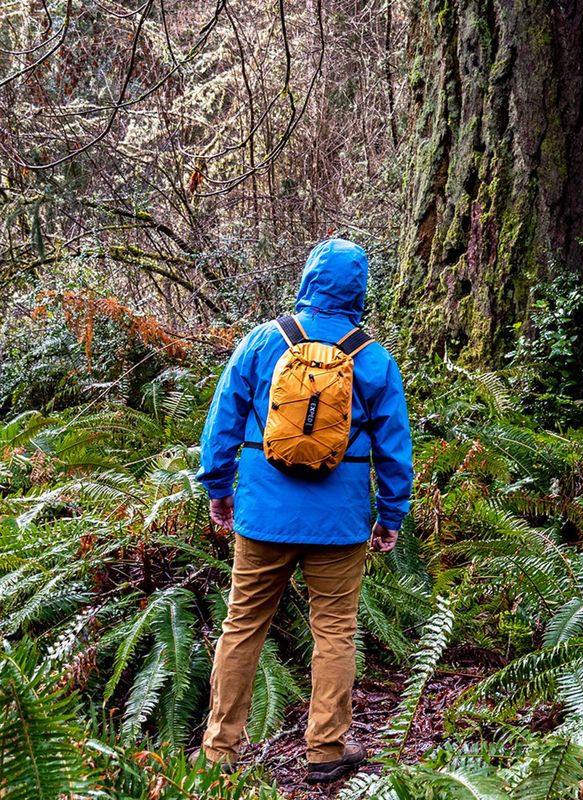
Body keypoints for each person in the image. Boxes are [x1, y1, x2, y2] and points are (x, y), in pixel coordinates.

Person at [195, 238, 413, 784]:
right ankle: (325, 750)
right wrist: (391, 515)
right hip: (338, 522)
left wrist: (219, 487)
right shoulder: (374, 358)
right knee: (335, 630)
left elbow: (223, 420)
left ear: (308, 277)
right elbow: (393, 447)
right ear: (361, 290)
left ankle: (220, 751)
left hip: (263, 514)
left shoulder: (264, 341)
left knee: (243, 625)